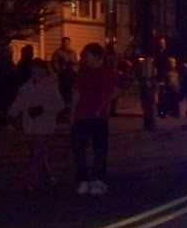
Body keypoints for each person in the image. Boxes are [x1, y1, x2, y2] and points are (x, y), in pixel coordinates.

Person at [69, 41, 119, 194]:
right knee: (78, 148)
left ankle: (99, 179)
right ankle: (83, 179)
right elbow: (76, 92)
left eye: (88, 55)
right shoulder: (83, 72)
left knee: (99, 149)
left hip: (98, 116)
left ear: (97, 57)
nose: (86, 58)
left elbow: (116, 90)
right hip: (82, 114)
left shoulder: (107, 72)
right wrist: (72, 111)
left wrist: (103, 105)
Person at [7, 58, 63, 190]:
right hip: (30, 125)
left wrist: (44, 108)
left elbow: (59, 104)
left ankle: (32, 181)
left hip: (45, 125)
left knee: (37, 153)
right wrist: (10, 114)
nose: (35, 72)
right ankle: (47, 178)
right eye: (33, 69)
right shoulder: (26, 87)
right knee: (38, 154)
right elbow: (19, 103)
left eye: (38, 69)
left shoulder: (51, 85)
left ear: (44, 70)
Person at [50, 36, 77, 119]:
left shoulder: (72, 52)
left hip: (71, 76)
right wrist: (61, 70)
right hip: (63, 76)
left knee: (71, 94)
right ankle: (62, 113)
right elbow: (55, 64)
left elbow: (76, 63)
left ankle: (69, 112)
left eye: (68, 43)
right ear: (62, 43)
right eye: (65, 43)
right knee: (63, 95)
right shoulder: (58, 53)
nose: (67, 44)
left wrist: (73, 68)